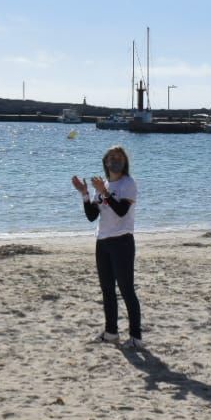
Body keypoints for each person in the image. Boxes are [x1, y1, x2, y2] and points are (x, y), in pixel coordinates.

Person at [71, 144, 142, 348]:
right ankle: (111, 333)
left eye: (119, 157)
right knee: (107, 289)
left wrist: (105, 192)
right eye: (111, 157)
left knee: (127, 289)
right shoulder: (103, 185)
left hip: (122, 241)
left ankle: (136, 337)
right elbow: (92, 216)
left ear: (125, 162)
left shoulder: (128, 183)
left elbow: (121, 211)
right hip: (102, 242)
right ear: (105, 162)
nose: (115, 160)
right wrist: (85, 193)